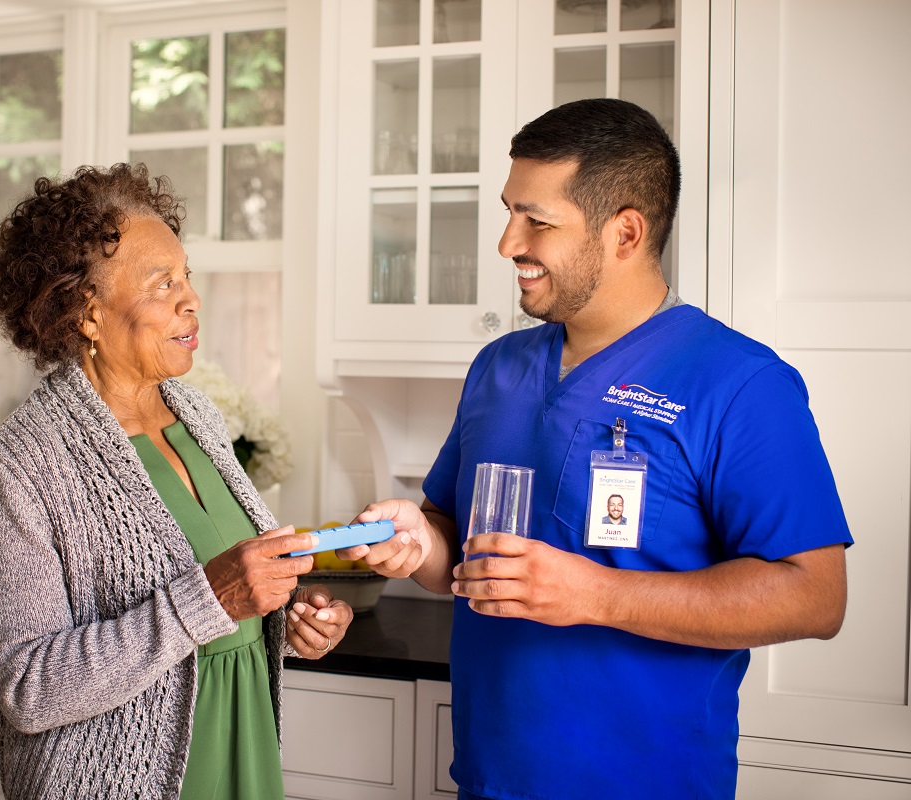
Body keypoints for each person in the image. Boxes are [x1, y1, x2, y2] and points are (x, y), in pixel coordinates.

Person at [345, 99, 851, 799]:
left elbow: (815, 597)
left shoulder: (741, 383)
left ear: (626, 233)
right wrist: (418, 541)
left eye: (537, 222)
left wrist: (597, 594)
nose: (507, 243)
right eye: (509, 211)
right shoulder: (498, 367)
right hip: (489, 779)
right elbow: (458, 551)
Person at [0, 163, 354, 800]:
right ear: (85, 312)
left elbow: (225, 599)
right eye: (162, 284)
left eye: (187, 277)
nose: (191, 300)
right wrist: (215, 599)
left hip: (242, 747)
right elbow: (27, 687)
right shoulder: (23, 461)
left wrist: (287, 618)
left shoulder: (195, 412)